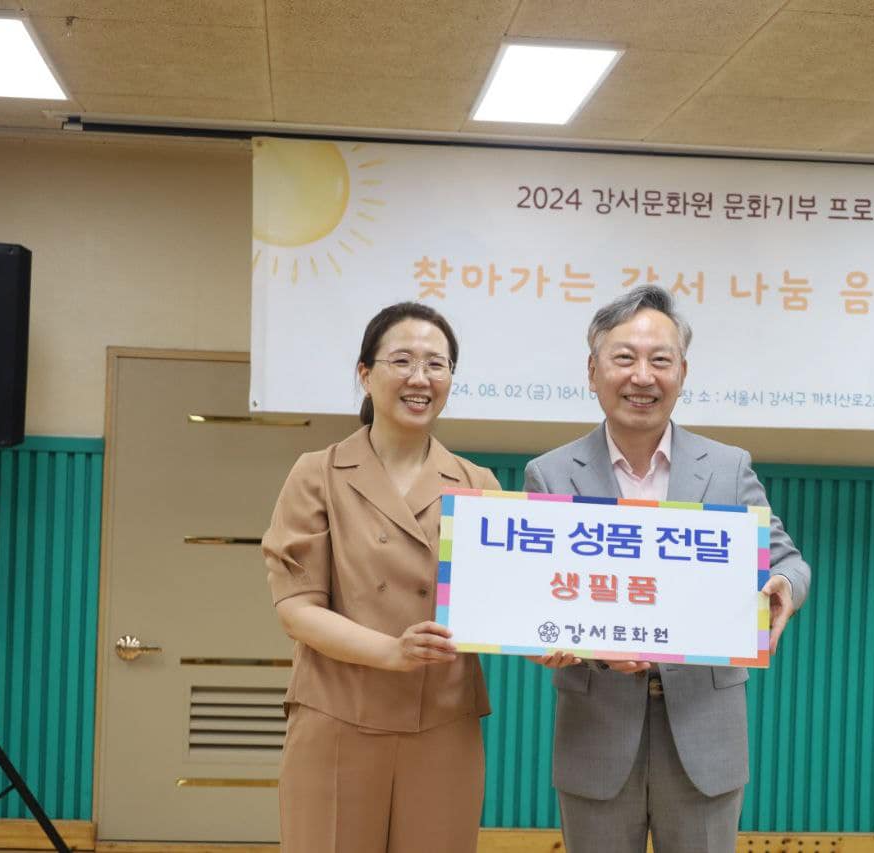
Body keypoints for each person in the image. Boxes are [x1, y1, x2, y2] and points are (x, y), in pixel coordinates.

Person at [524, 285, 811, 853]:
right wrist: (553, 640)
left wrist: (784, 586)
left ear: (682, 372)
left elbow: (786, 560)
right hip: (597, 730)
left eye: (660, 360)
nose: (642, 376)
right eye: (624, 358)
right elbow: (535, 597)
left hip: (705, 728)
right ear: (592, 371)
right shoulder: (550, 474)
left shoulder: (728, 468)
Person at [262, 302, 498, 853]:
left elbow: (507, 606)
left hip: (443, 721)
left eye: (436, 364)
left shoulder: (478, 484)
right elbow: (297, 608)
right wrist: (392, 650)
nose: (420, 378)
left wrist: (550, 641)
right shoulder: (317, 473)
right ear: (365, 374)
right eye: (402, 360)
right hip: (336, 715)